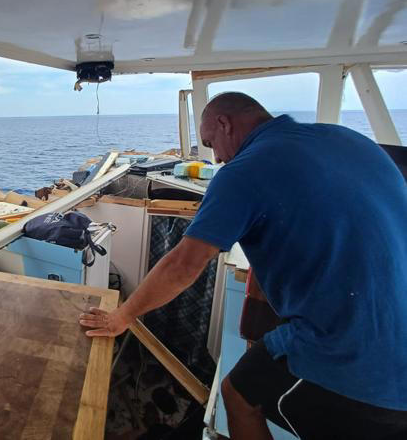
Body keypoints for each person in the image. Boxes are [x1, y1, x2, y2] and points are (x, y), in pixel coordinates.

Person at [79, 92, 407, 439]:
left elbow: (183, 265)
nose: (217, 157)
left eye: (210, 143)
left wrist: (123, 315)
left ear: (225, 123)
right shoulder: (346, 138)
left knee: (237, 396)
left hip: (363, 362)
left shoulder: (244, 171)